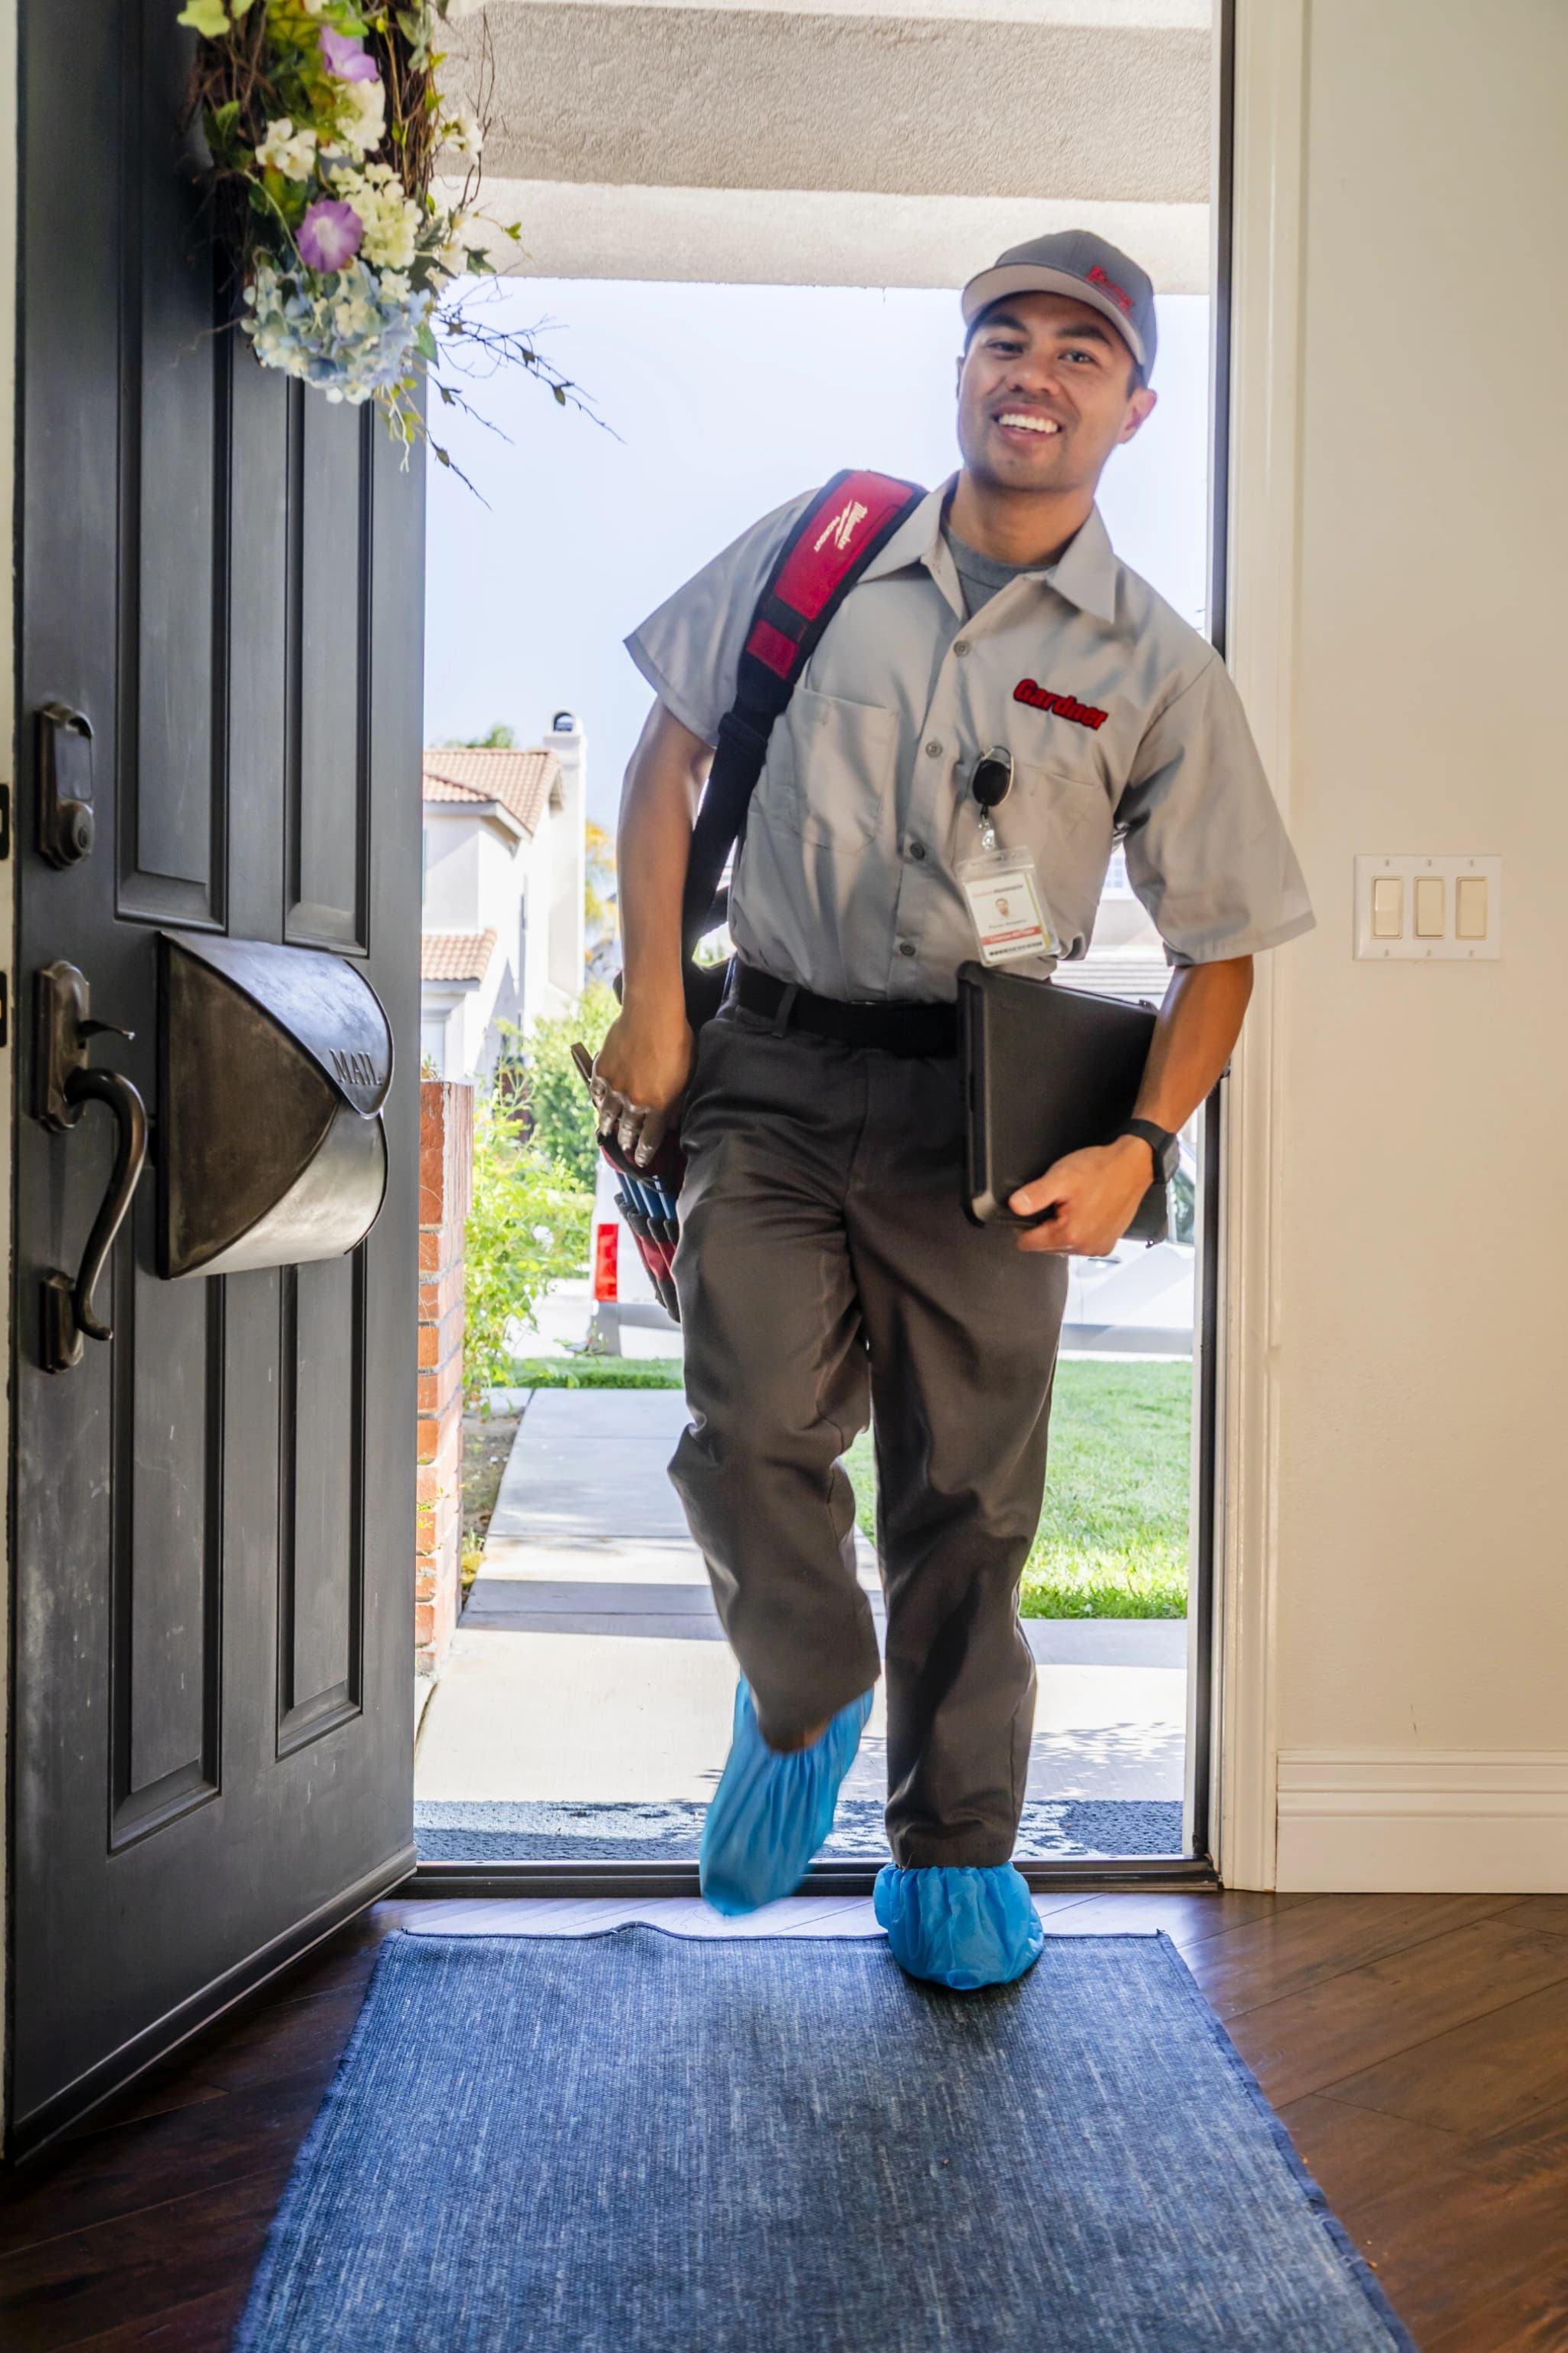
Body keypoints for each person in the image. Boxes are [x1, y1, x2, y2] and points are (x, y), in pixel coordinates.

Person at [592, 231, 1314, 1990]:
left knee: (971, 1506)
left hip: (986, 1117)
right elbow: (668, 760)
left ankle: (952, 1857)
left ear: (1131, 406)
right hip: (769, 1064)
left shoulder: (1155, 663)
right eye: (1005, 339)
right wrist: (651, 1006)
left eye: (1081, 353)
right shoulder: (821, 551)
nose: (1035, 373)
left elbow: (1220, 945)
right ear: (963, 370)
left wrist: (1136, 1149)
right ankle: (806, 1693)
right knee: (746, 1416)